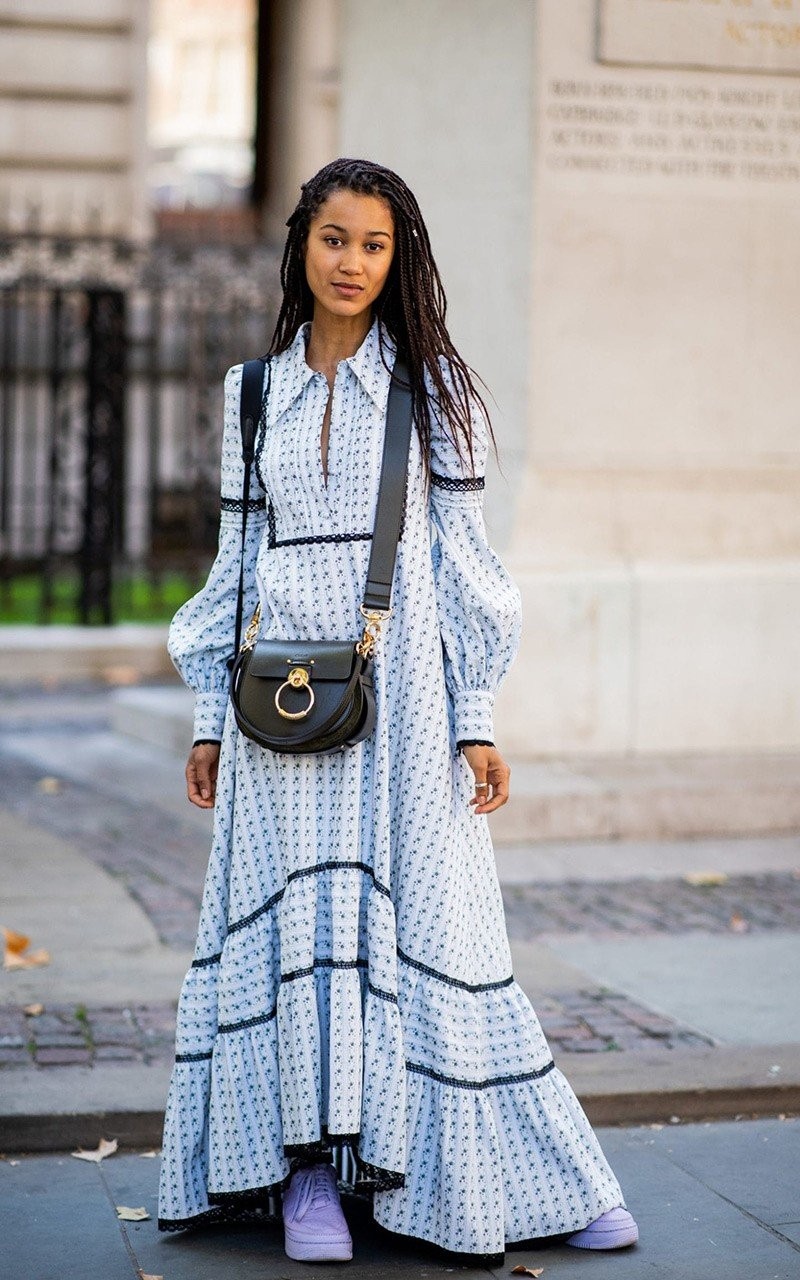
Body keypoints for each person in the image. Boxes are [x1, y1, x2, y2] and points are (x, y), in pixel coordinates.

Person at [158, 157, 639, 1263]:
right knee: (300, 929)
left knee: (438, 925)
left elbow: (466, 569)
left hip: (409, 706)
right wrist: (206, 716)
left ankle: (522, 1177)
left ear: (397, 258)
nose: (352, 262)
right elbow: (235, 568)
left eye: (373, 245)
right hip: (281, 711)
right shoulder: (251, 394)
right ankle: (307, 1178)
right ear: (301, 246)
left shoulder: (438, 392)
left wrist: (476, 715)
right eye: (334, 239)